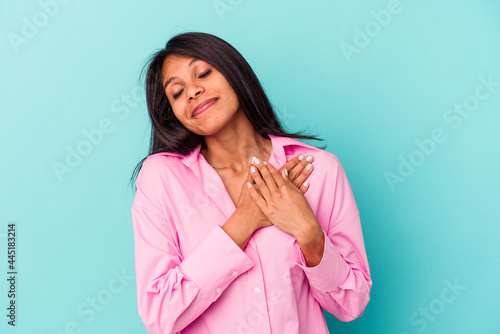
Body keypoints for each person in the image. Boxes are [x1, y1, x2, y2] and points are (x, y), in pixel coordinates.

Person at [130, 31, 372, 334]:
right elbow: (160, 313)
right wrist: (244, 220)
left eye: (203, 73)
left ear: (234, 73)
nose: (192, 92)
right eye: (177, 93)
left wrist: (309, 232)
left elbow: (352, 303)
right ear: (174, 113)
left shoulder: (318, 170)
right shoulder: (161, 180)